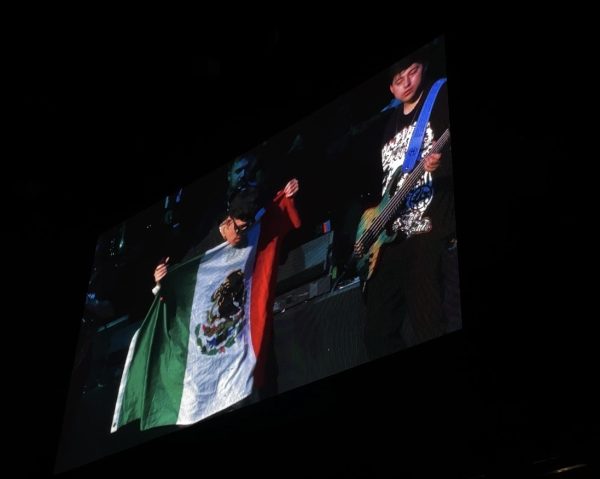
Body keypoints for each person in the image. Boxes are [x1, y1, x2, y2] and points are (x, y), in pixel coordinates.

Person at [111, 179, 300, 432]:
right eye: (239, 228)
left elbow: (278, 229)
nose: (241, 234)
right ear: (228, 220)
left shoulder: (255, 230)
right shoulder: (205, 244)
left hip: (243, 344)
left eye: (247, 228)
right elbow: (180, 285)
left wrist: (287, 196)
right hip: (211, 354)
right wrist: (161, 282)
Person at [361, 43, 460, 360]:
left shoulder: (440, 96)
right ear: (390, 87)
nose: (405, 82)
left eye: (411, 72)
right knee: (376, 335)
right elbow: (387, 179)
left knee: (429, 326)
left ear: (424, 68)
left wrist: (440, 164)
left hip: (428, 233)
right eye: (397, 78)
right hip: (391, 244)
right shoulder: (387, 123)